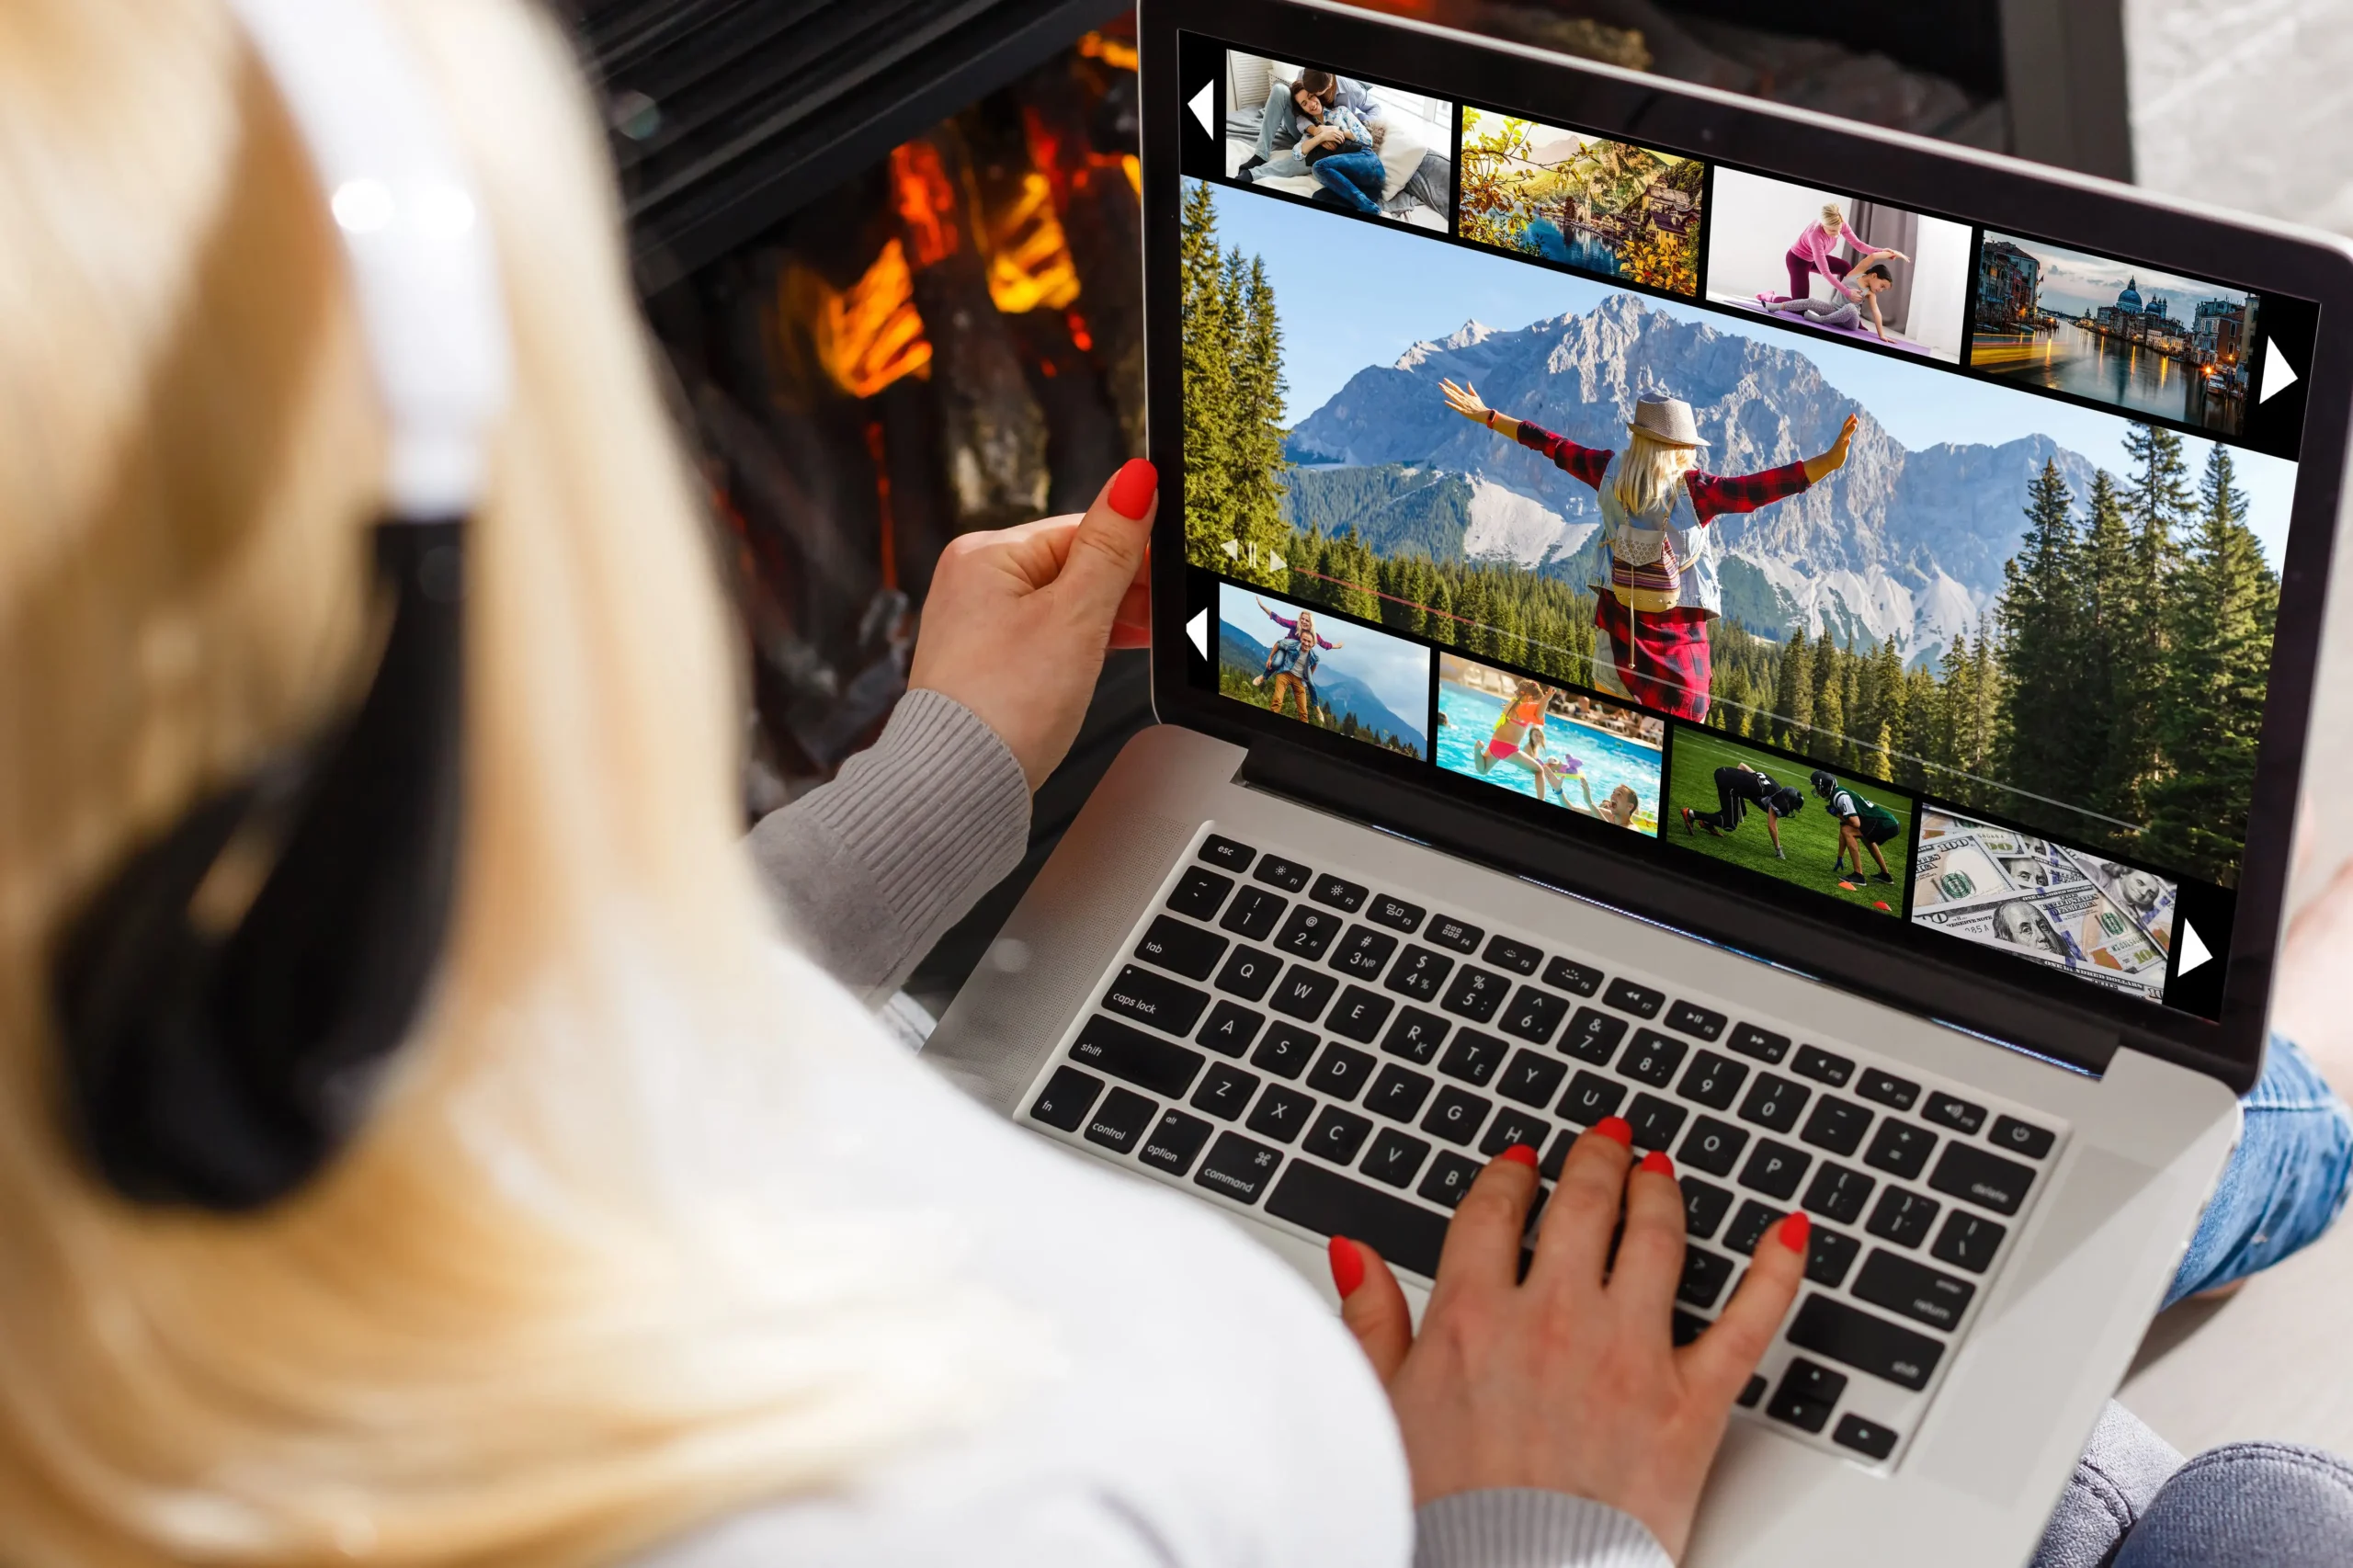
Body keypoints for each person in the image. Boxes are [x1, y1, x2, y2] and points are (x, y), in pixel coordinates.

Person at [14, 3, 2350, 1564]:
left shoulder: (217, 1184)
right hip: (1505, 1488)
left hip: (1388, 1325)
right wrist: (1524, 1518)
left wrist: (935, 781)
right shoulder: (942, 1494)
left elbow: (531, 1039)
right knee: (2233, 1467)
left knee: (2042, 1115)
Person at [1439, 381, 1856, 721]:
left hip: (1616, 640)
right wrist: (1827, 462)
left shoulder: (1606, 471)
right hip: (1678, 652)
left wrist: (1490, 417)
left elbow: (1549, 443)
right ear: (1679, 447)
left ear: (1639, 439)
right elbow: (1760, 489)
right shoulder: (1697, 490)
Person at [1760, 201, 1908, 318]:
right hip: (1798, 261)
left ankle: (1844, 309)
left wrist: (1884, 251)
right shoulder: (1815, 235)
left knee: (1844, 267)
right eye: (1832, 231)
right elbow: (1825, 272)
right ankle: (1770, 296)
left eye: (1839, 230)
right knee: (1800, 308)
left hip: (1814, 259)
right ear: (1823, 224)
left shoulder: (1840, 223)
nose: (1837, 234)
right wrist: (1847, 292)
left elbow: (1858, 245)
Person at [1241, 66, 1381, 185]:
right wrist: (1317, 132)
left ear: (1329, 84)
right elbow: (1298, 109)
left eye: (1313, 95)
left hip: (1335, 139)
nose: (1313, 102)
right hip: (1306, 131)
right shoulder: (1306, 75)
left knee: (1311, 160)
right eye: (1309, 96)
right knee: (1279, 90)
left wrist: (1357, 122)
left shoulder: (1350, 92)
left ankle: (1252, 175)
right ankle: (1260, 155)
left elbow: (1375, 109)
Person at [1289, 80, 1391, 216]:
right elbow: (1296, 153)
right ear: (1302, 109)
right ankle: (1363, 204)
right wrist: (1321, 137)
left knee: (1318, 168)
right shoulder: (1310, 133)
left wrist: (1340, 133)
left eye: (1311, 96)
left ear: (1317, 94)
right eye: (1304, 104)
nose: (1311, 104)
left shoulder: (1340, 112)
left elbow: (1368, 139)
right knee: (1318, 198)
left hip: (1369, 163)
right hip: (1363, 187)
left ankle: (1375, 212)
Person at [1684, 761, 1804, 858]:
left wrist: (1741, 787)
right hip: (1728, 782)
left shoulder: (1773, 786)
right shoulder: (1777, 801)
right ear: (1787, 800)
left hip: (1727, 775)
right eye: (1792, 807)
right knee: (1730, 825)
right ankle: (1690, 814)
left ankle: (1708, 823)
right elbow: (1772, 826)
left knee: (1742, 811)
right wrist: (1778, 849)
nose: (1791, 810)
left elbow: (1742, 766)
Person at [1252, 596, 1340, 721]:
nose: (1304, 622)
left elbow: (1324, 645)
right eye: (1302, 619)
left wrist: (1336, 646)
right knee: (1276, 663)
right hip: (1286, 650)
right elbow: (1279, 620)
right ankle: (1263, 677)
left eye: (1307, 620)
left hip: (1298, 671)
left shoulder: (1313, 637)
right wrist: (1263, 607)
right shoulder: (1294, 625)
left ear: (1311, 624)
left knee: (1311, 684)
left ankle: (1316, 709)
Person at [1765, 261, 1898, 342]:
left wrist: (1881, 335)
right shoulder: (1854, 274)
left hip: (1850, 321)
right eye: (1882, 286)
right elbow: (1872, 257)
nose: (1881, 290)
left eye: (1883, 289)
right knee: (1811, 301)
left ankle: (1819, 320)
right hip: (1834, 311)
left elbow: (1877, 313)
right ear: (1874, 275)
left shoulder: (1870, 293)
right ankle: (1775, 306)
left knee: (1851, 308)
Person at [1814, 768, 1900, 882]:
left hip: (1885, 823)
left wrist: (1838, 814)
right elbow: (1843, 830)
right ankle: (1885, 875)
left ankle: (1858, 875)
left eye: (1817, 787)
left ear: (1824, 787)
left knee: (1851, 831)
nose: (1816, 790)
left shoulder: (1840, 797)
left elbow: (1855, 823)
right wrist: (1840, 856)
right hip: (1888, 823)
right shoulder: (1837, 796)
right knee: (1865, 838)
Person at [1475, 678, 1555, 788]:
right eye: (1536, 703)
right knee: (1539, 771)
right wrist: (1546, 699)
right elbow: (1539, 715)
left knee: (1483, 770)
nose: (1536, 706)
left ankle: (1477, 750)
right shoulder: (1523, 707)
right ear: (1530, 698)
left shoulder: (1511, 704)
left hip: (1495, 744)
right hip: (1508, 749)